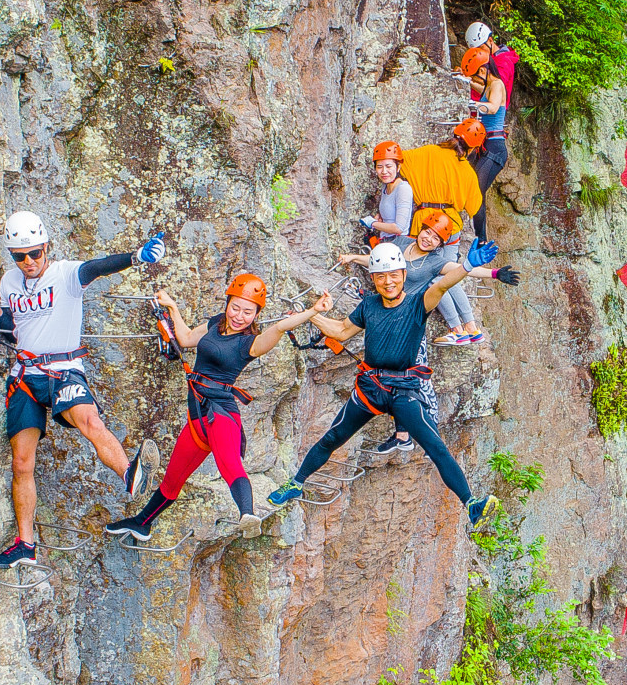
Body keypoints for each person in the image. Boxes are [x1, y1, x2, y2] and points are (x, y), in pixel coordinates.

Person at [0, 211, 166, 570]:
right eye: (20, 256)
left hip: (63, 369)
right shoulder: (9, 283)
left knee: (89, 421)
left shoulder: (65, 275)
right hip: (25, 375)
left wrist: (136, 256)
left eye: (35, 253)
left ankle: (130, 474)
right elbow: (12, 330)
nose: (29, 262)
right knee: (21, 463)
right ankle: (25, 543)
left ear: (46, 247)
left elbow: (98, 267)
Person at [267, 243, 500, 530]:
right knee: (333, 436)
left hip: (403, 391)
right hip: (371, 387)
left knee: (434, 445)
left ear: (403, 274)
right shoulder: (369, 306)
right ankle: (296, 483)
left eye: (393, 275)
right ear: (374, 279)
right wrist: (311, 313)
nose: (388, 282)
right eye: (381, 276)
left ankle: (471, 504)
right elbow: (341, 330)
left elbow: (441, 288)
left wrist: (466, 267)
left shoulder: (418, 303)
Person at [104, 277, 334, 541]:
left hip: (220, 414)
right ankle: (141, 523)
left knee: (230, 465)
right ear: (227, 304)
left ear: (257, 314)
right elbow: (187, 338)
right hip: (196, 418)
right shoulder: (215, 324)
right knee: (172, 480)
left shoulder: (251, 344)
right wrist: (172, 308)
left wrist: (313, 311)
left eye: (249, 312)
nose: (239, 316)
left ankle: (247, 514)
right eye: (235, 308)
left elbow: (281, 327)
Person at [338, 214, 521, 454]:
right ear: (420, 229)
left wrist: (495, 274)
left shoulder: (435, 262)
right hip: (385, 315)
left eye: (436, 239)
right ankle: (403, 436)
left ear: (439, 245)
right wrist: (352, 257)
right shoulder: (401, 244)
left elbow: (461, 270)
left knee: (417, 380)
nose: (429, 239)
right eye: (428, 232)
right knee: (395, 378)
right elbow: (378, 260)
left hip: (410, 322)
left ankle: (427, 430)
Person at [462, 46, 510, 196]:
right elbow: (480, 88)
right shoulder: (489, 86)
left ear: (482, 71)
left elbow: (493, 107)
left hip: (495, 146)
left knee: (476, 192)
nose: (476, 79)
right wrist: (467, 80)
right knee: (474, 190)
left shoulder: (497, 84)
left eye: (476, 76)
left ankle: (478, 221)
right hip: (488, 144)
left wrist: (471, 104)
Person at [362, 141, 413, 248]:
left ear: (398, 167)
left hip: (398, 243)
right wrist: (380, 218)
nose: (384, 171)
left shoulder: (403, 189)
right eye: (379, 167)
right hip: (385, 241)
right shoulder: (385, 186)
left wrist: (372, 223)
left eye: (389, 166)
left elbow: (399, 228)